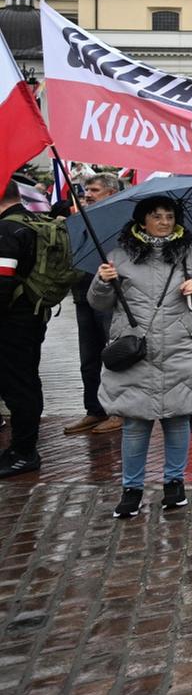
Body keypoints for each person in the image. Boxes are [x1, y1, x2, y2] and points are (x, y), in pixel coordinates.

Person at [88, 195, 192, 518]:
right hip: (135, 351)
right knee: (134, 422)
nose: (163, 222)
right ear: (141, 221)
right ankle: (131, 489)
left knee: (177, 418)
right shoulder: (117, 257)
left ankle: (175, 484)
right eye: (156, 216)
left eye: (169, 216)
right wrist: (103, 282)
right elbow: (98, 303)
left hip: (178, 347)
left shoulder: (188, 253)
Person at [64, 172, 125, 435]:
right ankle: (94, 409)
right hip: (82, 296)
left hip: (110, 299)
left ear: (111, 193)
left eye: (94, 190)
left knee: (114, 356)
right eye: (86, 190)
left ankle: (119, 411)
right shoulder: (80, 219)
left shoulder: (121, 221)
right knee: (89, 358)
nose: (87, 194)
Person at [0, 174, 50, 477]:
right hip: (32, 315)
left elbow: (2, 284)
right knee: (27, 382)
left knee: (18, 387)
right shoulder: (34, 221)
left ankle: (24, 451)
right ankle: (22, 447)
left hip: (11, 321)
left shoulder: (7, 228)